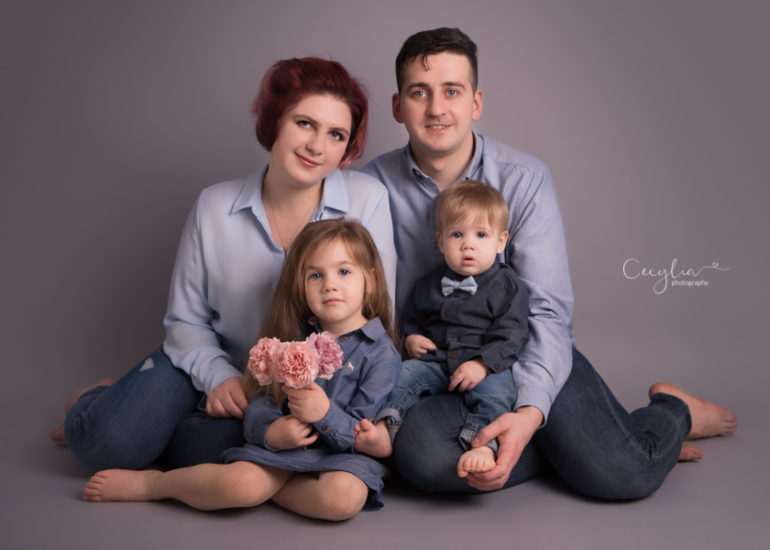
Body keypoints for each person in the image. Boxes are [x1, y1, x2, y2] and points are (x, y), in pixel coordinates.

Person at [363, 27, 737, 497]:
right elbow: (373, 306)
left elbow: (546, 312)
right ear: (398, 106)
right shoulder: (370, 188)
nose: (437, 109)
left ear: (475, 103)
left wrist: (528, 414)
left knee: (624, 473)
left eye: (452, 92)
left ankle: (671, 412)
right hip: (440, 368)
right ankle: (577, 447)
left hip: (518, 351)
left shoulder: (525, 179)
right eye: (420, 92)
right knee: (422, 457)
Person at [51, 57, 397, 471]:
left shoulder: (367, 200)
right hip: (210, 362)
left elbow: (374, 310)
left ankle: (142, 410)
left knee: (272, 451)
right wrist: (219, 378)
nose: (317, 146)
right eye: (304, 123)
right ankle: (99, 400)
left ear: (346, 146)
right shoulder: (214, 206)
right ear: (275, 120)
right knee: (105, 446)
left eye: (336, 134)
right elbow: (185, 322)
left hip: (301, 391)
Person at [81, 219, 401, 520]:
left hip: (343, 458)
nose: (330, 285)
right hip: (286, 449)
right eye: (315, 275)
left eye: (344, 271)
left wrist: (324, 413)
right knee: (240, 485)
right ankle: (153, 484)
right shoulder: (292, 339)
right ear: (301, 286)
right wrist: (270, 433)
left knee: (341, 500)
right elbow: (263, 402)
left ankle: (268, 492)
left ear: (369, 279)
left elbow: (362, 433)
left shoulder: (382, 353)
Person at [355, 181, 529, 476]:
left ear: (501, 242)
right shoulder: (430, 282)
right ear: (440, 241)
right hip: (437, 360)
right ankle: (387, 425)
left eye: (481, 235)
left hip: (485, 365)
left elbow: (513, 334)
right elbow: (414, 316)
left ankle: (483, 444)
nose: (468, 244)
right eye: (457, 234)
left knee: (497, 395)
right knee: (402, 374)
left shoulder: (507, 285)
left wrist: (482, 364)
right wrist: (411, 338)